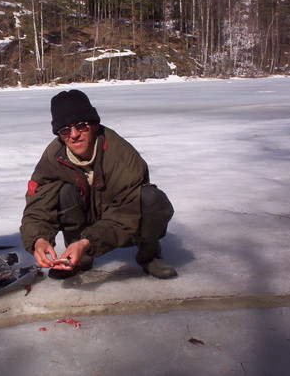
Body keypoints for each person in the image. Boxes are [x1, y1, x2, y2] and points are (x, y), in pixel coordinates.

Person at [19, 89, 177, 280]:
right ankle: (79, 259)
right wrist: (38, 239)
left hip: (126, 222)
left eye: (81, 126)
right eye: (65, 130)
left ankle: (149, 255)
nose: (74, 135)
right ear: (60, 135)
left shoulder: (121, 155)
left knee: (150, 198)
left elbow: (124, 214)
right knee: (64, 192)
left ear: (94, 125)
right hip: (87, 217)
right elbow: (38, 206)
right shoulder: (54, 158)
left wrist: (88, 242)